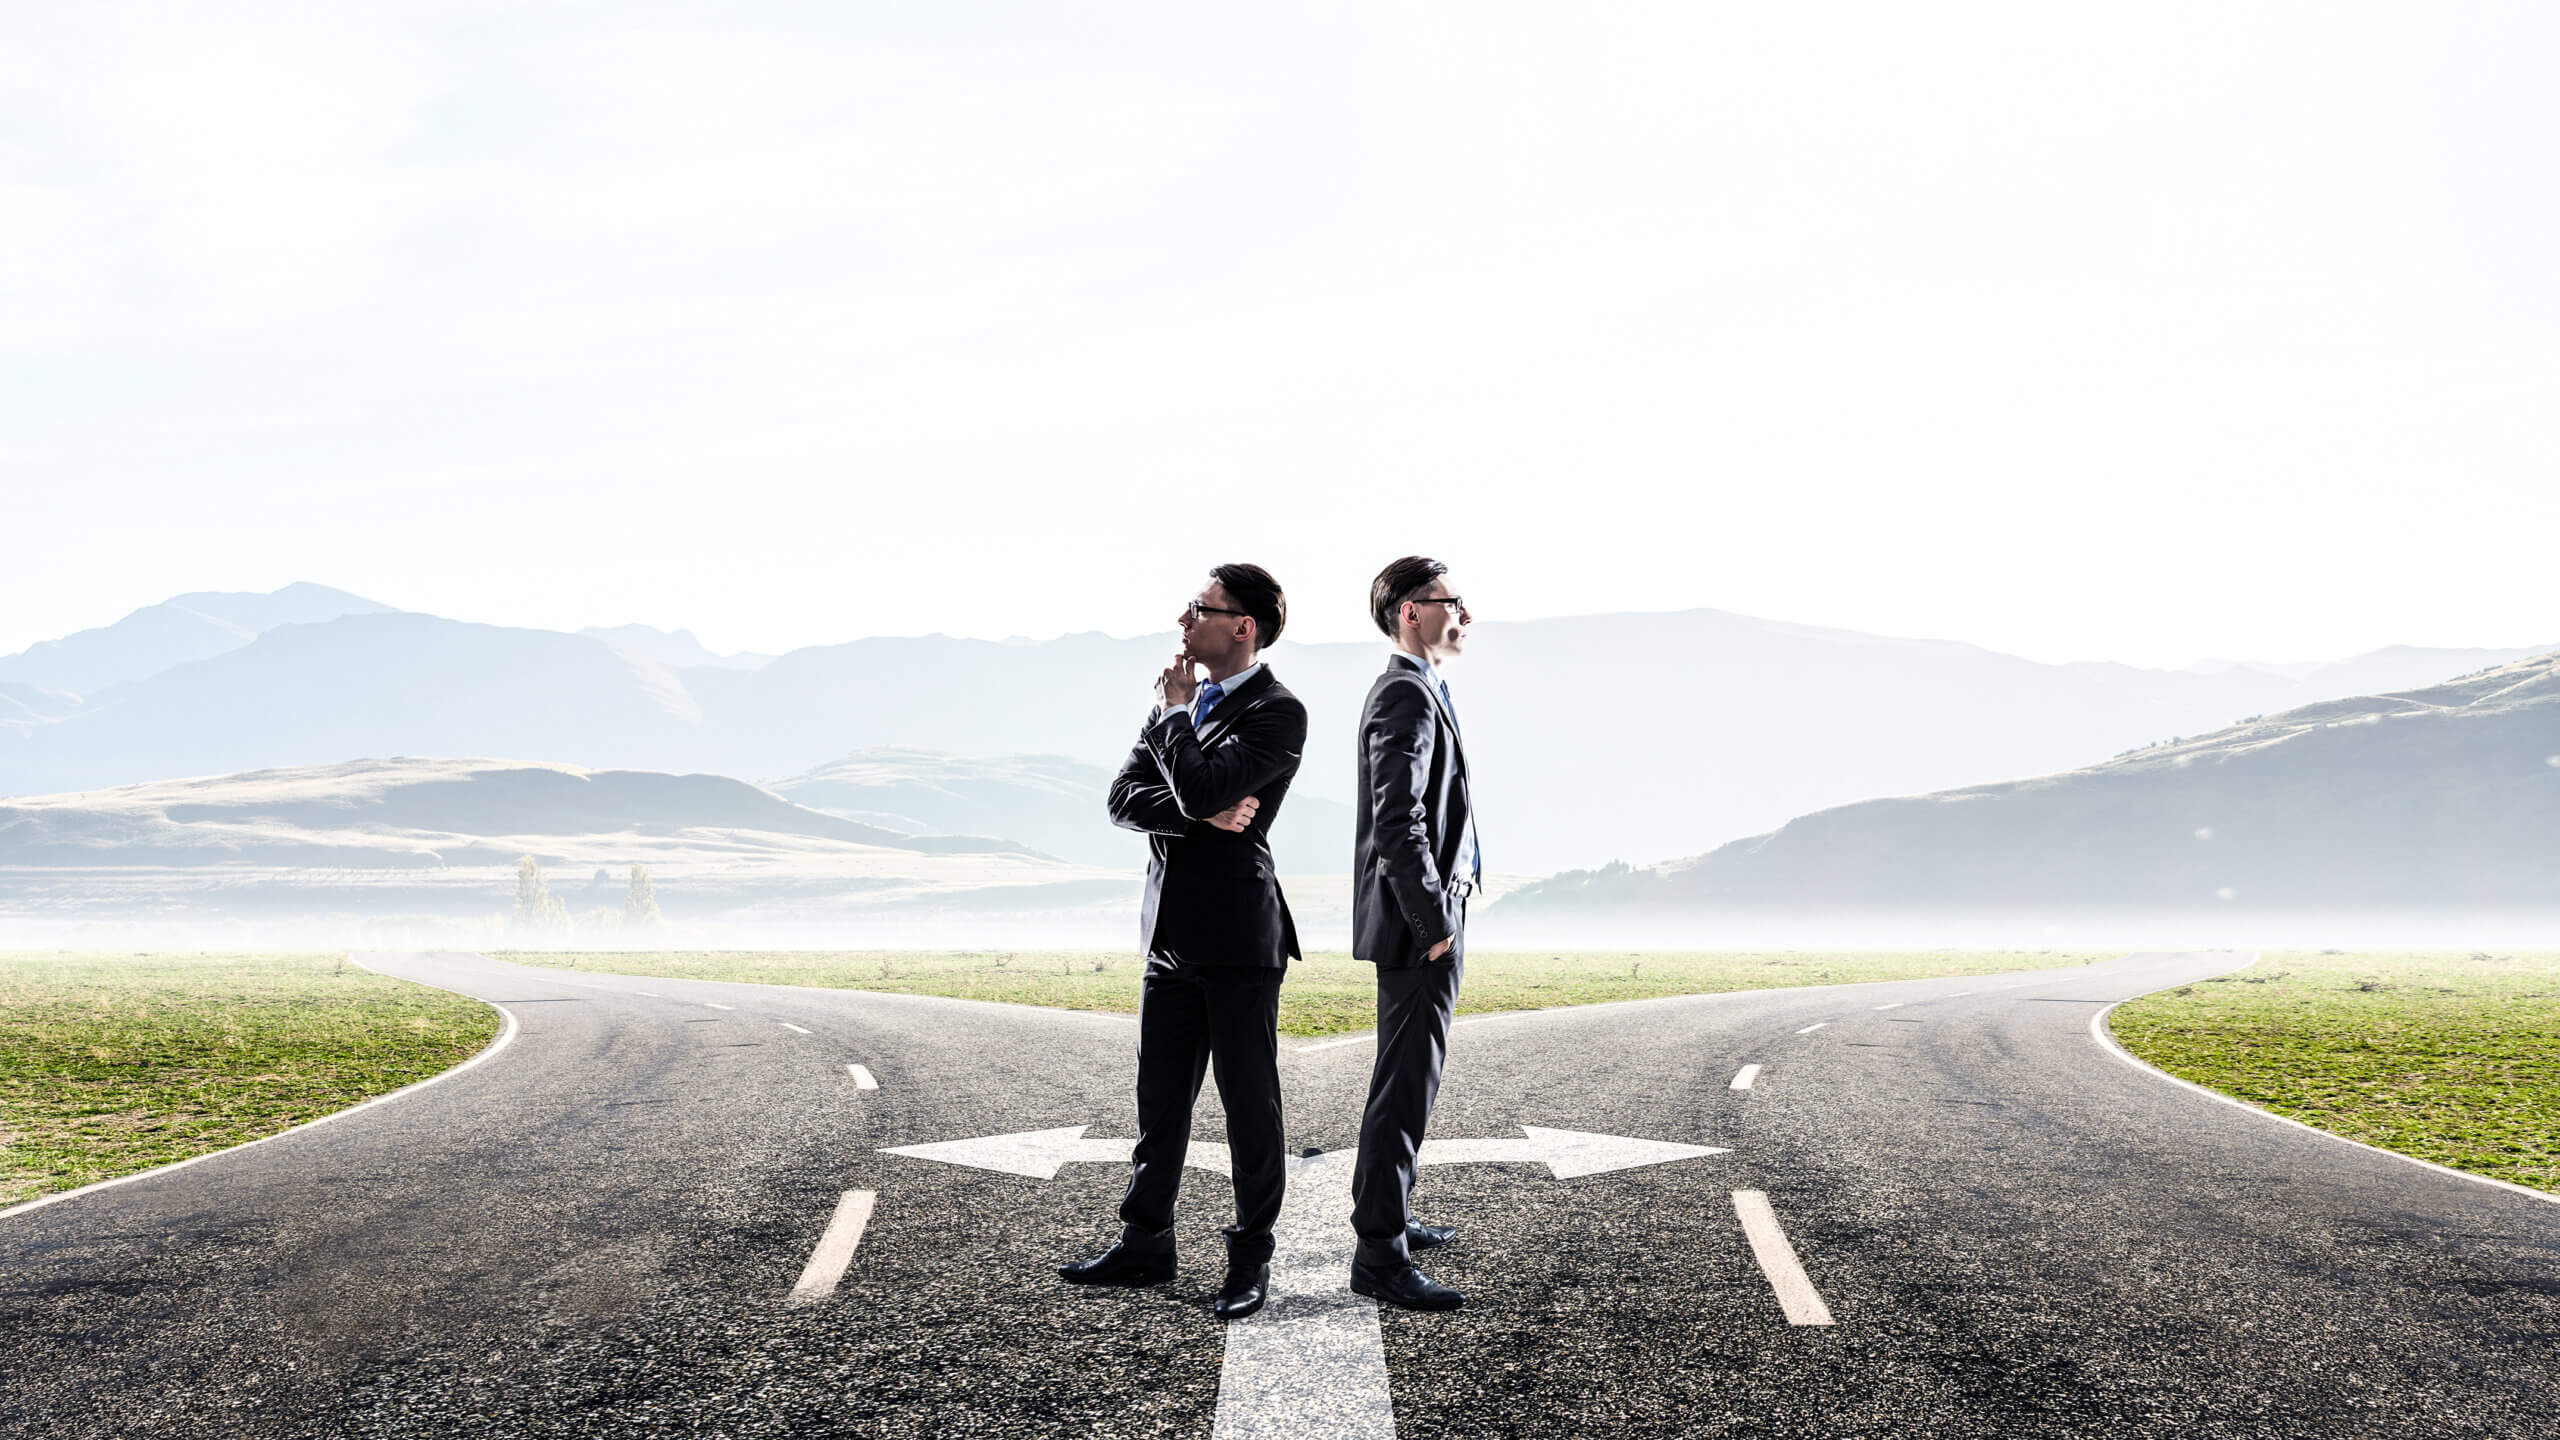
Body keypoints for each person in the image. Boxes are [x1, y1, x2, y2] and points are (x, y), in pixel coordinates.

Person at [1060, 563, 1307, 1323]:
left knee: (1247, 1105)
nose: (1182, 620)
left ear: (1244, 627)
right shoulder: (1182, 705)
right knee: (1160, 1103)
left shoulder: (1278, 711)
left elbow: (1199, 788)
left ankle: (1250, 1258)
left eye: (1199, 609)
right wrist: (1196, 811)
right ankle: (1145, 1242)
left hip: (1238, 937)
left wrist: (1173, 727)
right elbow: (1122, 800)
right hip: (1167, 935)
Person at [1346, 555, 1478, 1312]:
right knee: (1403, 1088)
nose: (1463, 614)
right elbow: (1400, 821)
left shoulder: (1424, 688)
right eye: (1449, 601)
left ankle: (1388, 1217)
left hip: (1423, 916)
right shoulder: (1405, 695)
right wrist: (1433, 925)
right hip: (1417, 924)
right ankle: (1379, 1257)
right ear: (1408, 612)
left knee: (1406, 1082)